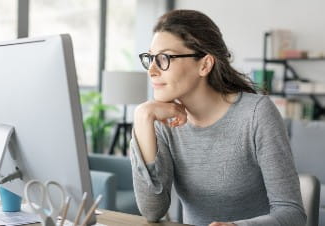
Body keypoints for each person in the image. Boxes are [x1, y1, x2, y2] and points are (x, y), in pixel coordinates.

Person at [129, 9, 307, 226]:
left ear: (204, 64)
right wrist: (142, 118)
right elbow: (152, 211)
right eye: (151, 58)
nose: (152, 70)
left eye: (164, 58)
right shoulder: (162, 122)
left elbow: (293, 214)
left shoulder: (256, 114)